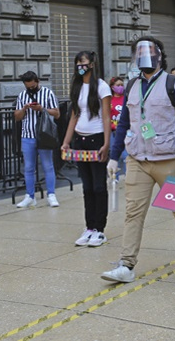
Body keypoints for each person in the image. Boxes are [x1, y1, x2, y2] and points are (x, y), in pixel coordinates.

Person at [101, 37, 175, 283]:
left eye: (147, 52)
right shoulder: (132, 85)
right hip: (138, 158)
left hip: (169, 158)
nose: (142, 57)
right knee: (133, 212)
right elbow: (124, 123)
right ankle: (126, 264)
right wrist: (114, 157)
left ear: (159, 56)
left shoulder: (174, 85)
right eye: (138, 53)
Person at [61, 51, 112, 247]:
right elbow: (74, 115)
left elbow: (106, 116)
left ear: (92, 64)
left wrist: (106, 143)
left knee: (99, 186)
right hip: (79, 141)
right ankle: (89, 227)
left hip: (96, 139)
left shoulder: (102, 86)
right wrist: (66, 141)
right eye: (77, 63)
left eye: (83, 63)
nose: (80, 66)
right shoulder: (77, 86)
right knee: (87, 187)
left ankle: (99, 229)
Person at [14, 71, 61, 209]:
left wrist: (42, 109)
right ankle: (30, 196)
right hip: (27, 135)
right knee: (28, 167)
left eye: (33, 86)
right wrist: (24, 109)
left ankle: (51, 194)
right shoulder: (22, 95)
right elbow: (17, 116)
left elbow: (57, 113)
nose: (31, 89)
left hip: (44, 135)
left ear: (38, 81)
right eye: (28, 87)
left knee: (48, 165)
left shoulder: (48, 93)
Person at [109, 77, 128, 179]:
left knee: (126, 156)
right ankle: (114, 178)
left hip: (126, 131)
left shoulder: (126, 98)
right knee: (114, 155)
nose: (120, 87)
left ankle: (128, 177)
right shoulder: (109, 100)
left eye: (122, 85)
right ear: (112, 87)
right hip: (113, 131)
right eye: (118, 85)